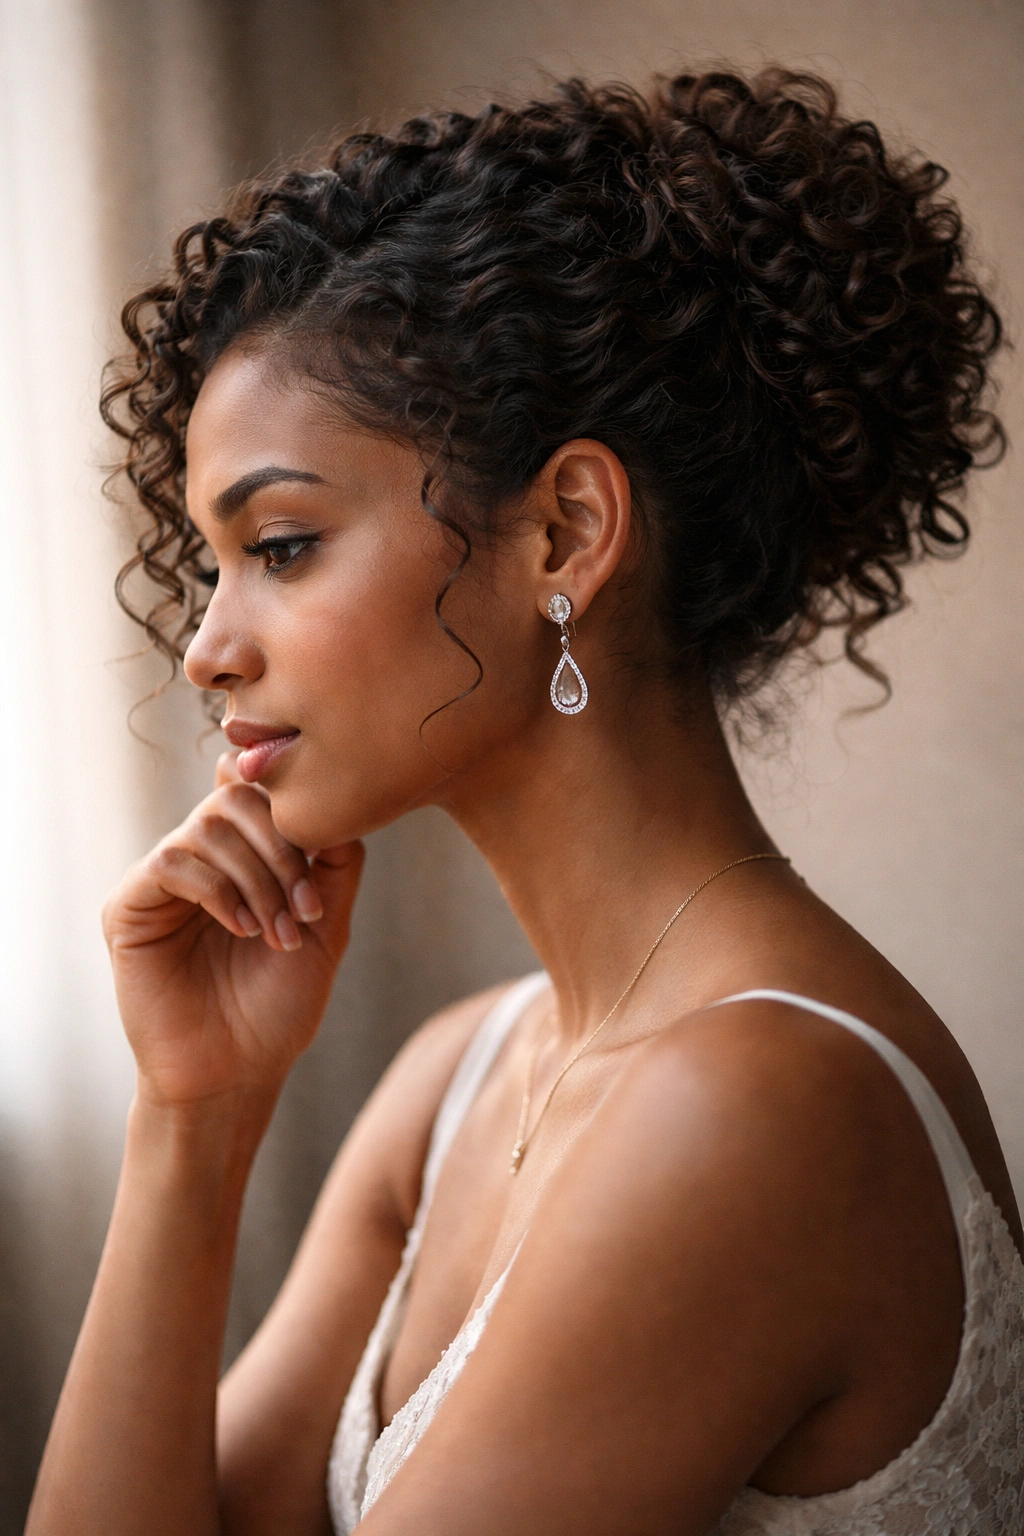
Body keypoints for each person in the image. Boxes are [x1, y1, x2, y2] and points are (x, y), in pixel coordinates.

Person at [26, 66, 1022, 1536]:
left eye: (284, 543)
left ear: (565, 533)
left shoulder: (751, 1106)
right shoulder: (460, 1076)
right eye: (212, 563)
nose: (204, 645)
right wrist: (195, 1114)